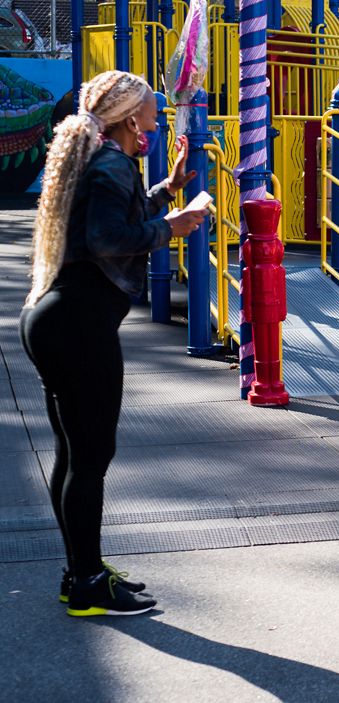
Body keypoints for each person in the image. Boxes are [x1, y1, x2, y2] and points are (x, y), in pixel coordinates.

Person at [21, 70, 205, 616]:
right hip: (78, 323)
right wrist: (173, 226)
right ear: (130, 119)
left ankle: (82, 572)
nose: (157, 116)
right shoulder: (110, 163)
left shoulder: (103, 160)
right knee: (91, 458)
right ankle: (87, 582)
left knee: (75, 455)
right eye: (151, 109)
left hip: (58, 318)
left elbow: (110, 218)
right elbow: (107, 238)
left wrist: (165, 191)